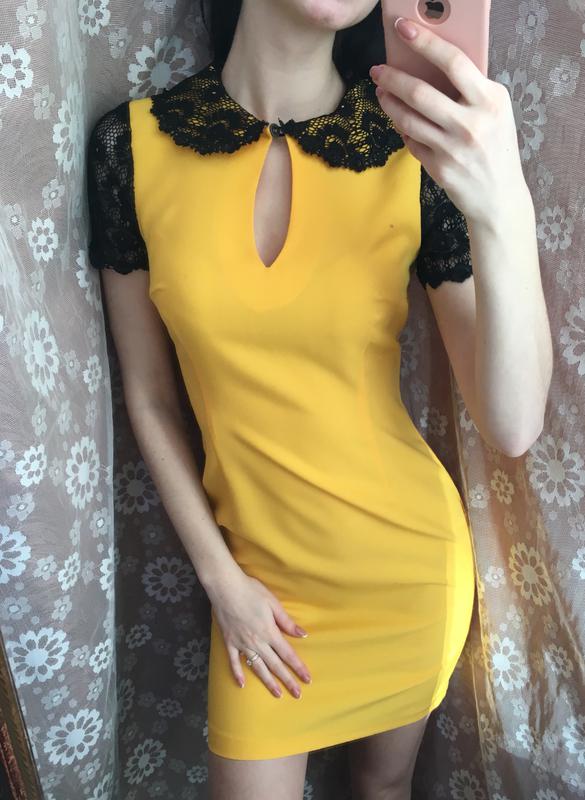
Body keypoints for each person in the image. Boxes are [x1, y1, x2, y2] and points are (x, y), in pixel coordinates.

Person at [85, 1, 553, 798]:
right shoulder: (130, 147)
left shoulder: (413, 149)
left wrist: (503, 207)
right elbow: (151, 396)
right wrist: (222, 582)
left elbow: (510, 424)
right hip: (257, 593)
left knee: (380, 789)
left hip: (406, 574)